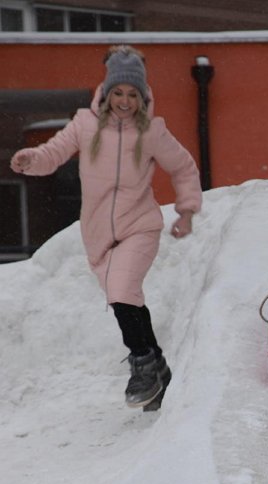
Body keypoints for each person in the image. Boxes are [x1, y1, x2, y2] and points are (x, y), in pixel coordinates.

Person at [10, 45, 202, 409]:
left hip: (140, 225)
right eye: (119, 92)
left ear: (143, 97)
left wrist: (187, 210)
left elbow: (183, 167)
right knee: (125, 301)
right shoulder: (84, 125)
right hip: (97, 234)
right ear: (107, 92)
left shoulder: (152, 133)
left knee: (121, 289)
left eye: (132, 94)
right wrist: (30, 160)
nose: (125, 101)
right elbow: (52, 152)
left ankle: (143, 366)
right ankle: (158, 366)